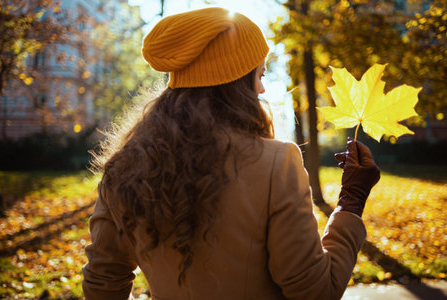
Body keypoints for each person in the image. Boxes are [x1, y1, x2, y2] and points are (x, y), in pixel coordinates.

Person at [82, 7, 380, 300]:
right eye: (259, 75)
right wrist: (350, 202)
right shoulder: (277, 163)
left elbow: (103, 282)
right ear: (235, 82)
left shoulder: (126, 166)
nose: (262, 89)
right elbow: (315, 292)